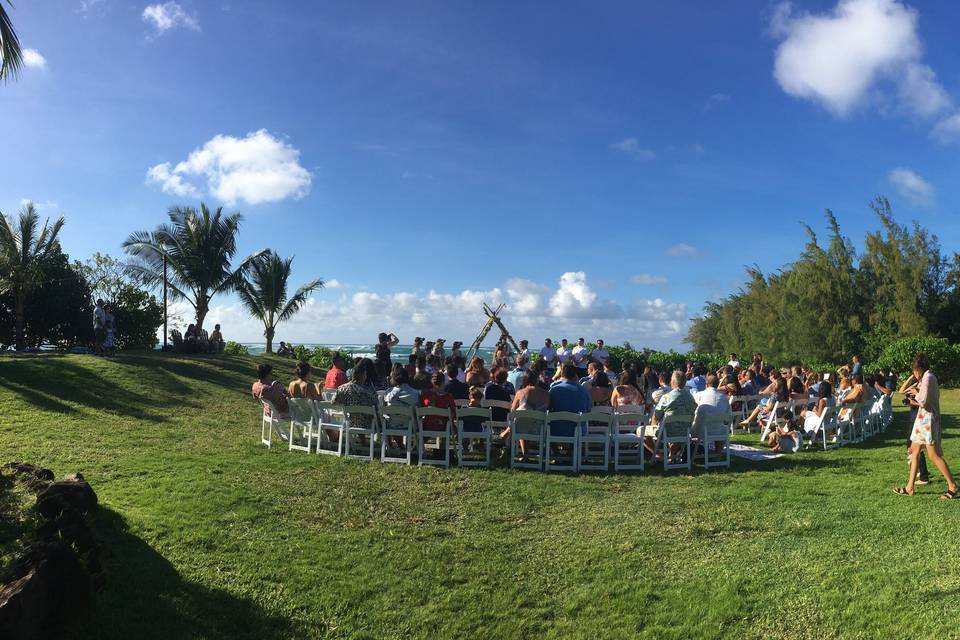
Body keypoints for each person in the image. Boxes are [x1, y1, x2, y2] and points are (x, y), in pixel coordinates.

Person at [895, 355, 959, 498]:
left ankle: (953, 486)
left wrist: (916, 393)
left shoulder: (928, 378)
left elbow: (923, 401)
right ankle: (910, 487)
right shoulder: (929, 377)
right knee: (914, 451)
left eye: (915, 371)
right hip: (923, 419)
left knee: (933, 455)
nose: (915, 374)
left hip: (927, 420)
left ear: (918, 369)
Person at [547, 365, 592, 438]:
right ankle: (571, 449)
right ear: (575, 375)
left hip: (555, 430)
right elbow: (588, 409)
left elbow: (548, 408)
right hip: (578, 430)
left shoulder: (554, 389)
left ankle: (555, 449)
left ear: (562, 374)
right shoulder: (584, 391)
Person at [333, 358, 379, 429]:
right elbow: (376, 408)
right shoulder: (368, 392)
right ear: (364, 375)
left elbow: (334, 403)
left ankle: (361, 439)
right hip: (369, 425)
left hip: (350, 423)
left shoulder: (341, 389)